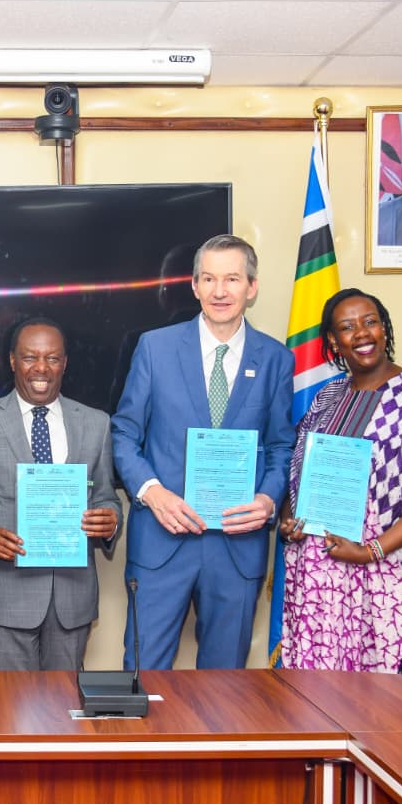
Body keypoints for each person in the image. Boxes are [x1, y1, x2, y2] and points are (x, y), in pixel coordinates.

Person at [111, 234, 294, 670]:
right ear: (193, 286)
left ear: (252, 286)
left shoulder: (276, 359)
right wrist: (152, 492)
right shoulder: (155, 347)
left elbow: (281, 444)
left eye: (232, 278)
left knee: (225, 692)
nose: (219, 291)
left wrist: (268, 500)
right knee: (143, 678)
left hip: (237, 544)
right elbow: (123, 433)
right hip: (161, 539)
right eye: (208, 279)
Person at [278, 289, 402, 675]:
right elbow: (299, 472)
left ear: (384, 329)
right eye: (347, 327)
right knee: (317, 701)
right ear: (333, 342)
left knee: (387, 708)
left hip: (391, 577)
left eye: (370, 322)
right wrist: (291, 518)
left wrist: (371, 550)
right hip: (321, 583)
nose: (362, 333)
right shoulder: (328, 397)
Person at [0, 317, 123, 670]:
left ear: (65, 363)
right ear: (13, 361)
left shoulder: (96, 423)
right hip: (4, 595)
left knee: (63, 715)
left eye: (52, 358)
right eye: (30, 358)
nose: (41, 368)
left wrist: (110, 521)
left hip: (71, 599)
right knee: (7, 714)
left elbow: (106, 496)